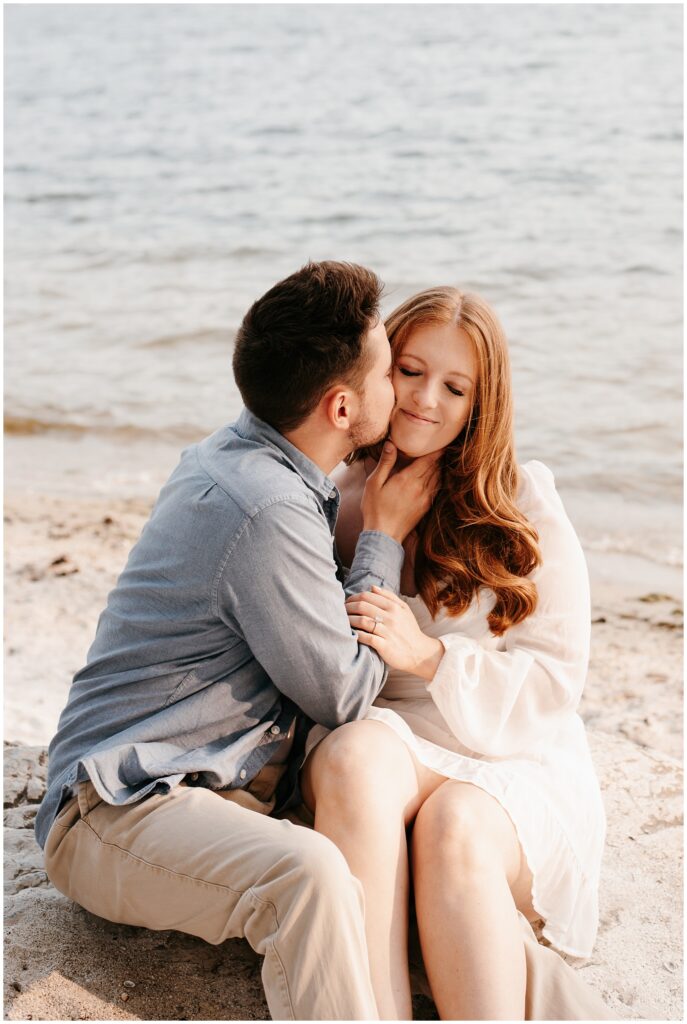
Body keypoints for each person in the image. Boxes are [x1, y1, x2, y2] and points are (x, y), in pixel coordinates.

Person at [35, 260, 440, 1021]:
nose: (408, 393)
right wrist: (381, 537)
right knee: (308, 874)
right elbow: (344, 692)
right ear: (343, 405)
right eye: (392, 370)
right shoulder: (265, 506)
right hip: (116, 809)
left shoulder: (250, 458)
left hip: (180, 788)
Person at [301, 286, 610, 1020]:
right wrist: (376, 526)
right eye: (409, 370)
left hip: (510, 760)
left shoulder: (521, 503)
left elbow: (553, 683)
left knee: (455, 824)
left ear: (482, 402)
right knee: (350, 754)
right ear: (376, 367)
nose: (424, 401)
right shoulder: (336, 494)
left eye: (454, 386)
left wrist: (430, 659)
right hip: (393, 746)